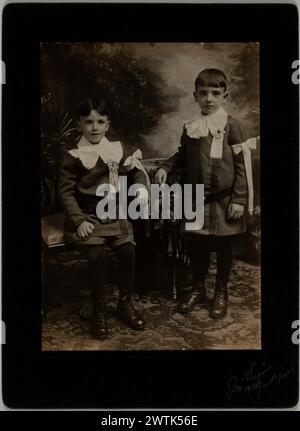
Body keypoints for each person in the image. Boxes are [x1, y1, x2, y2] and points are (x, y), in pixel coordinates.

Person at [156, 68, 255, 319]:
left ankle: (220, 291)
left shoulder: (233, 126)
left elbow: (243, 166)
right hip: (197, 198)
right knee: (197, 245)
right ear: (195, 96)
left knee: (223, 247)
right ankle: (198, 288)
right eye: (203, 93)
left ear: (225, 96)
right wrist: (166, 167)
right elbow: (182, 155)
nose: (209, 99)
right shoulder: (191, 128)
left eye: (215, 93)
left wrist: (239, 199)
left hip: (224, 199)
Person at [59, 97, 149, 339]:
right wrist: (79, 221)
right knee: (96, 254)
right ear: (80, 124)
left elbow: (136, 171)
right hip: (87, 215)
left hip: (113, 212)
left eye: (100, 122)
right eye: (89, 122)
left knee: (127, 250)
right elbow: (66, 192)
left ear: (108, 125)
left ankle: (124, 301)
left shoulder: (116, 149)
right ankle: (99, 307)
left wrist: (140, 189)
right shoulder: (73, 154)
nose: (95, 127)